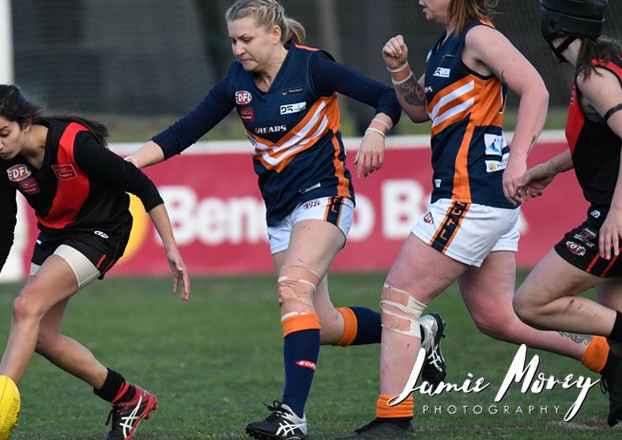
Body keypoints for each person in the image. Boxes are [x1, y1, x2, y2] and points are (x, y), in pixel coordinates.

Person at [124, 1, 445, 439]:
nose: (238, 49)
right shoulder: (237, 83)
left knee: (293, 286)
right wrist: (127, 163)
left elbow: (386, 96)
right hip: (279, 211)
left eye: (247, 39)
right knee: (324, 323)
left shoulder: (314, 67)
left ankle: (292, 417)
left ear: (275, 35)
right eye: (233, 40)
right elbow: (183, 133)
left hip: (326, 195)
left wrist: (376, 130)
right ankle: (419, 333)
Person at [337, 0, 620, 438]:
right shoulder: (443, 45)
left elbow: (536, 90)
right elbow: (422, 110)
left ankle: (393, 419)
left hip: (471, 197)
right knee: (497, 317)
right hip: (481, 200)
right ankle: (605, 356)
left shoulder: (478, 37)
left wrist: (519, 156)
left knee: (398, 300)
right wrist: (400, 70)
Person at [0, 84, 190, 440]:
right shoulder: (1, 162)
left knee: (26, 305)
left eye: (3, 133)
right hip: (58, 234)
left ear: (26, 123)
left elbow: (143, 186)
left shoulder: (75, 144)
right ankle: (128, 398)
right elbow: (0, 234)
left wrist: (171, 248)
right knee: (42, 336)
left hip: (104, 230)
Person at [513, 0, 622, 428]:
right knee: (610, 314)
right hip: (611, 209)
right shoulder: (601, 63)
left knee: (530, 302)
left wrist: (616, 213)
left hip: (614, 215)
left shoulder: (592, 76)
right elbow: (599, 139)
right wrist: (549, 168)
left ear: (556, 24)